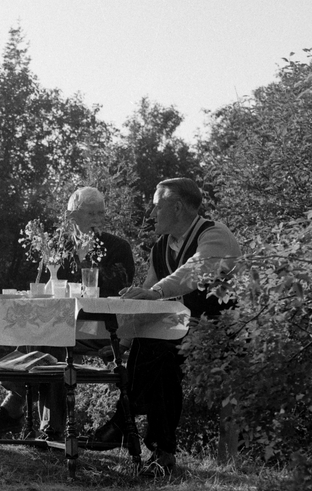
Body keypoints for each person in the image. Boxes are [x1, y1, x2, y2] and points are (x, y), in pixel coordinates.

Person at [92, 177, 241, 474]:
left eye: (156, 207)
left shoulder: (214, 235)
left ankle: (128, 425)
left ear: (177, 207)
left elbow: (193, 271)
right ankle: (161, 451)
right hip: (180, 336)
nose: (150, 215)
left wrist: (154, 292)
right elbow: (149, 302)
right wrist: (121, 341)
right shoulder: (160, 247)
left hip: (221, 335)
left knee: (160, 349)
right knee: (158, 347)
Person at [0, 187, 137, 439]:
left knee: (49, 337)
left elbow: (119, 291)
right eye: (90, 213)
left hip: (102, 327)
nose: (97, 219)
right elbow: (41, 291)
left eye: (101, 213)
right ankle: (49, 430)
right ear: (72, 216)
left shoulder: (118, 248)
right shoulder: (56, 248)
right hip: (59, 326)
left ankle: (14, 409)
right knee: (48, 336)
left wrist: (86, 261)